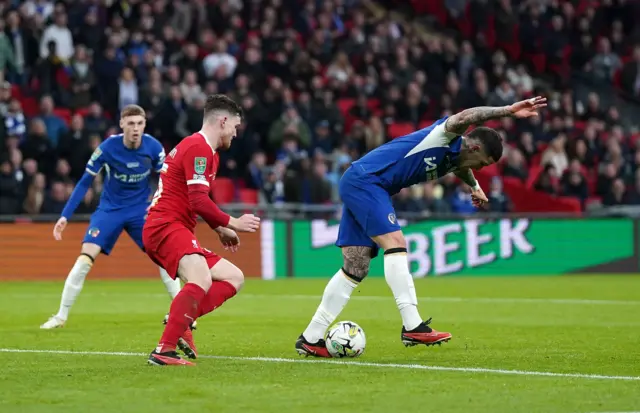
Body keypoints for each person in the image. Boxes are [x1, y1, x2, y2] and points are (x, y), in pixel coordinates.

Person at [295, 97, 547, 357]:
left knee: (355, 267)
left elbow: (457, 166)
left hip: (364, 182)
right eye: (482, 163)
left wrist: (473, 184)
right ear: (472, 147)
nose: (481, 169)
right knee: (396, 244)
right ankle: (412, 324)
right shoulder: (445, 134)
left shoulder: (455, 158)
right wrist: (507, 110)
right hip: (368, 181)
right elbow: (467, 115)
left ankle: (311, 338)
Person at [41, 105, 184, 333]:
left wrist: (162, 207)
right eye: (131, 124)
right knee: (85, 260)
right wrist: (65, 215)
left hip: (140, 212)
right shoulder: (107, 148)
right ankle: (60, 316)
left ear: (144, 125)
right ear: (122, 125)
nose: (135, 128)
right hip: (110, 210)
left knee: (165, 257)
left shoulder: (154, 148)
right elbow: (84, 182)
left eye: (139, 123)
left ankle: (182, 313)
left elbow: (168, 180)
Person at [143, 94, 261, 366]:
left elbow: (197, 199)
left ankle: (183, 320)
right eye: (235, 126)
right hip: (165, 226)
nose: (235, 132)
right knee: (201, 280)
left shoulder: (210, 154)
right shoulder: (198, 147)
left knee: (234, 277)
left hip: (175, 227)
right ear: (222, 121)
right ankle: (164, 350)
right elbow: (197, 200)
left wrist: (219, 229)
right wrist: (233, 222)